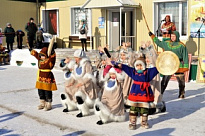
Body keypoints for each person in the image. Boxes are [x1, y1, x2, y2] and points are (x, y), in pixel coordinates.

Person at [111, 56, 159, 130]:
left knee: (144, 108)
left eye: (141, 65)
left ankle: (144, 122)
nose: (139, 67)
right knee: (133, 108)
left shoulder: (148, 72)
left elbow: (158, 68)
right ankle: (132, 123)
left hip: (145, 94)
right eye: (137, 65)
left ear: (144, 66)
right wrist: (115, 63)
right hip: (135, 94)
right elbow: (124, 67)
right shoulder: (133, 72)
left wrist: (164, 64)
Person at [149, 31, 189, 98]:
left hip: (178, 64)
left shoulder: (182, 46)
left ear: (177, 37)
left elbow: (185, 56)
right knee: (164, 80)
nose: (172, 38)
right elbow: (158, 43)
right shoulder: (167, 43)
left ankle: (182, 93)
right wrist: (152, 36)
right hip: (168, 65)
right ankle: (160, 93)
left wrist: (185, 66)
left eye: (174, 36)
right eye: (172, 36)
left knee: (181, 81)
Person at [30, 47, 57, 111]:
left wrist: (52, 52)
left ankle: (48, 104)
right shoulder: (39, 59)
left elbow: (53, 58)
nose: (41, 57)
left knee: (47, 90)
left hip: (47, 76)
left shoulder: (49, 60)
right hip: (40, 77)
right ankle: (42, 102)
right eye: (40, 56)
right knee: (40, 90)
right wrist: (31, 50)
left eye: (43, 56)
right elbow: (35, 54)